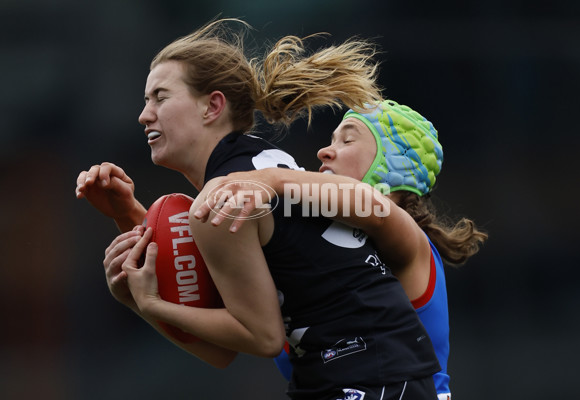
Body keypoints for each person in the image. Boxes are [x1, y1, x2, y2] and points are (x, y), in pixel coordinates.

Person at [75, 19, 440, 400]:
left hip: (366, 380)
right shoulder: (263, 161)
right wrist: (130, 218)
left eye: (160, 97)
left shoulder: (224, 200)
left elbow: (262, 337)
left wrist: (148, 303)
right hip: (370, 375)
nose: (144, 114)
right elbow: (221, 343)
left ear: (212, 106)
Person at [194, 100, 488, 400]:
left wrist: (271, 178)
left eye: (347, 140)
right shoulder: (319, 259)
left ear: (392, 164)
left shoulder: (411, 241)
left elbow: (372, 205)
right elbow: (222, 351)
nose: (323, 151)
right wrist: (148, 298)